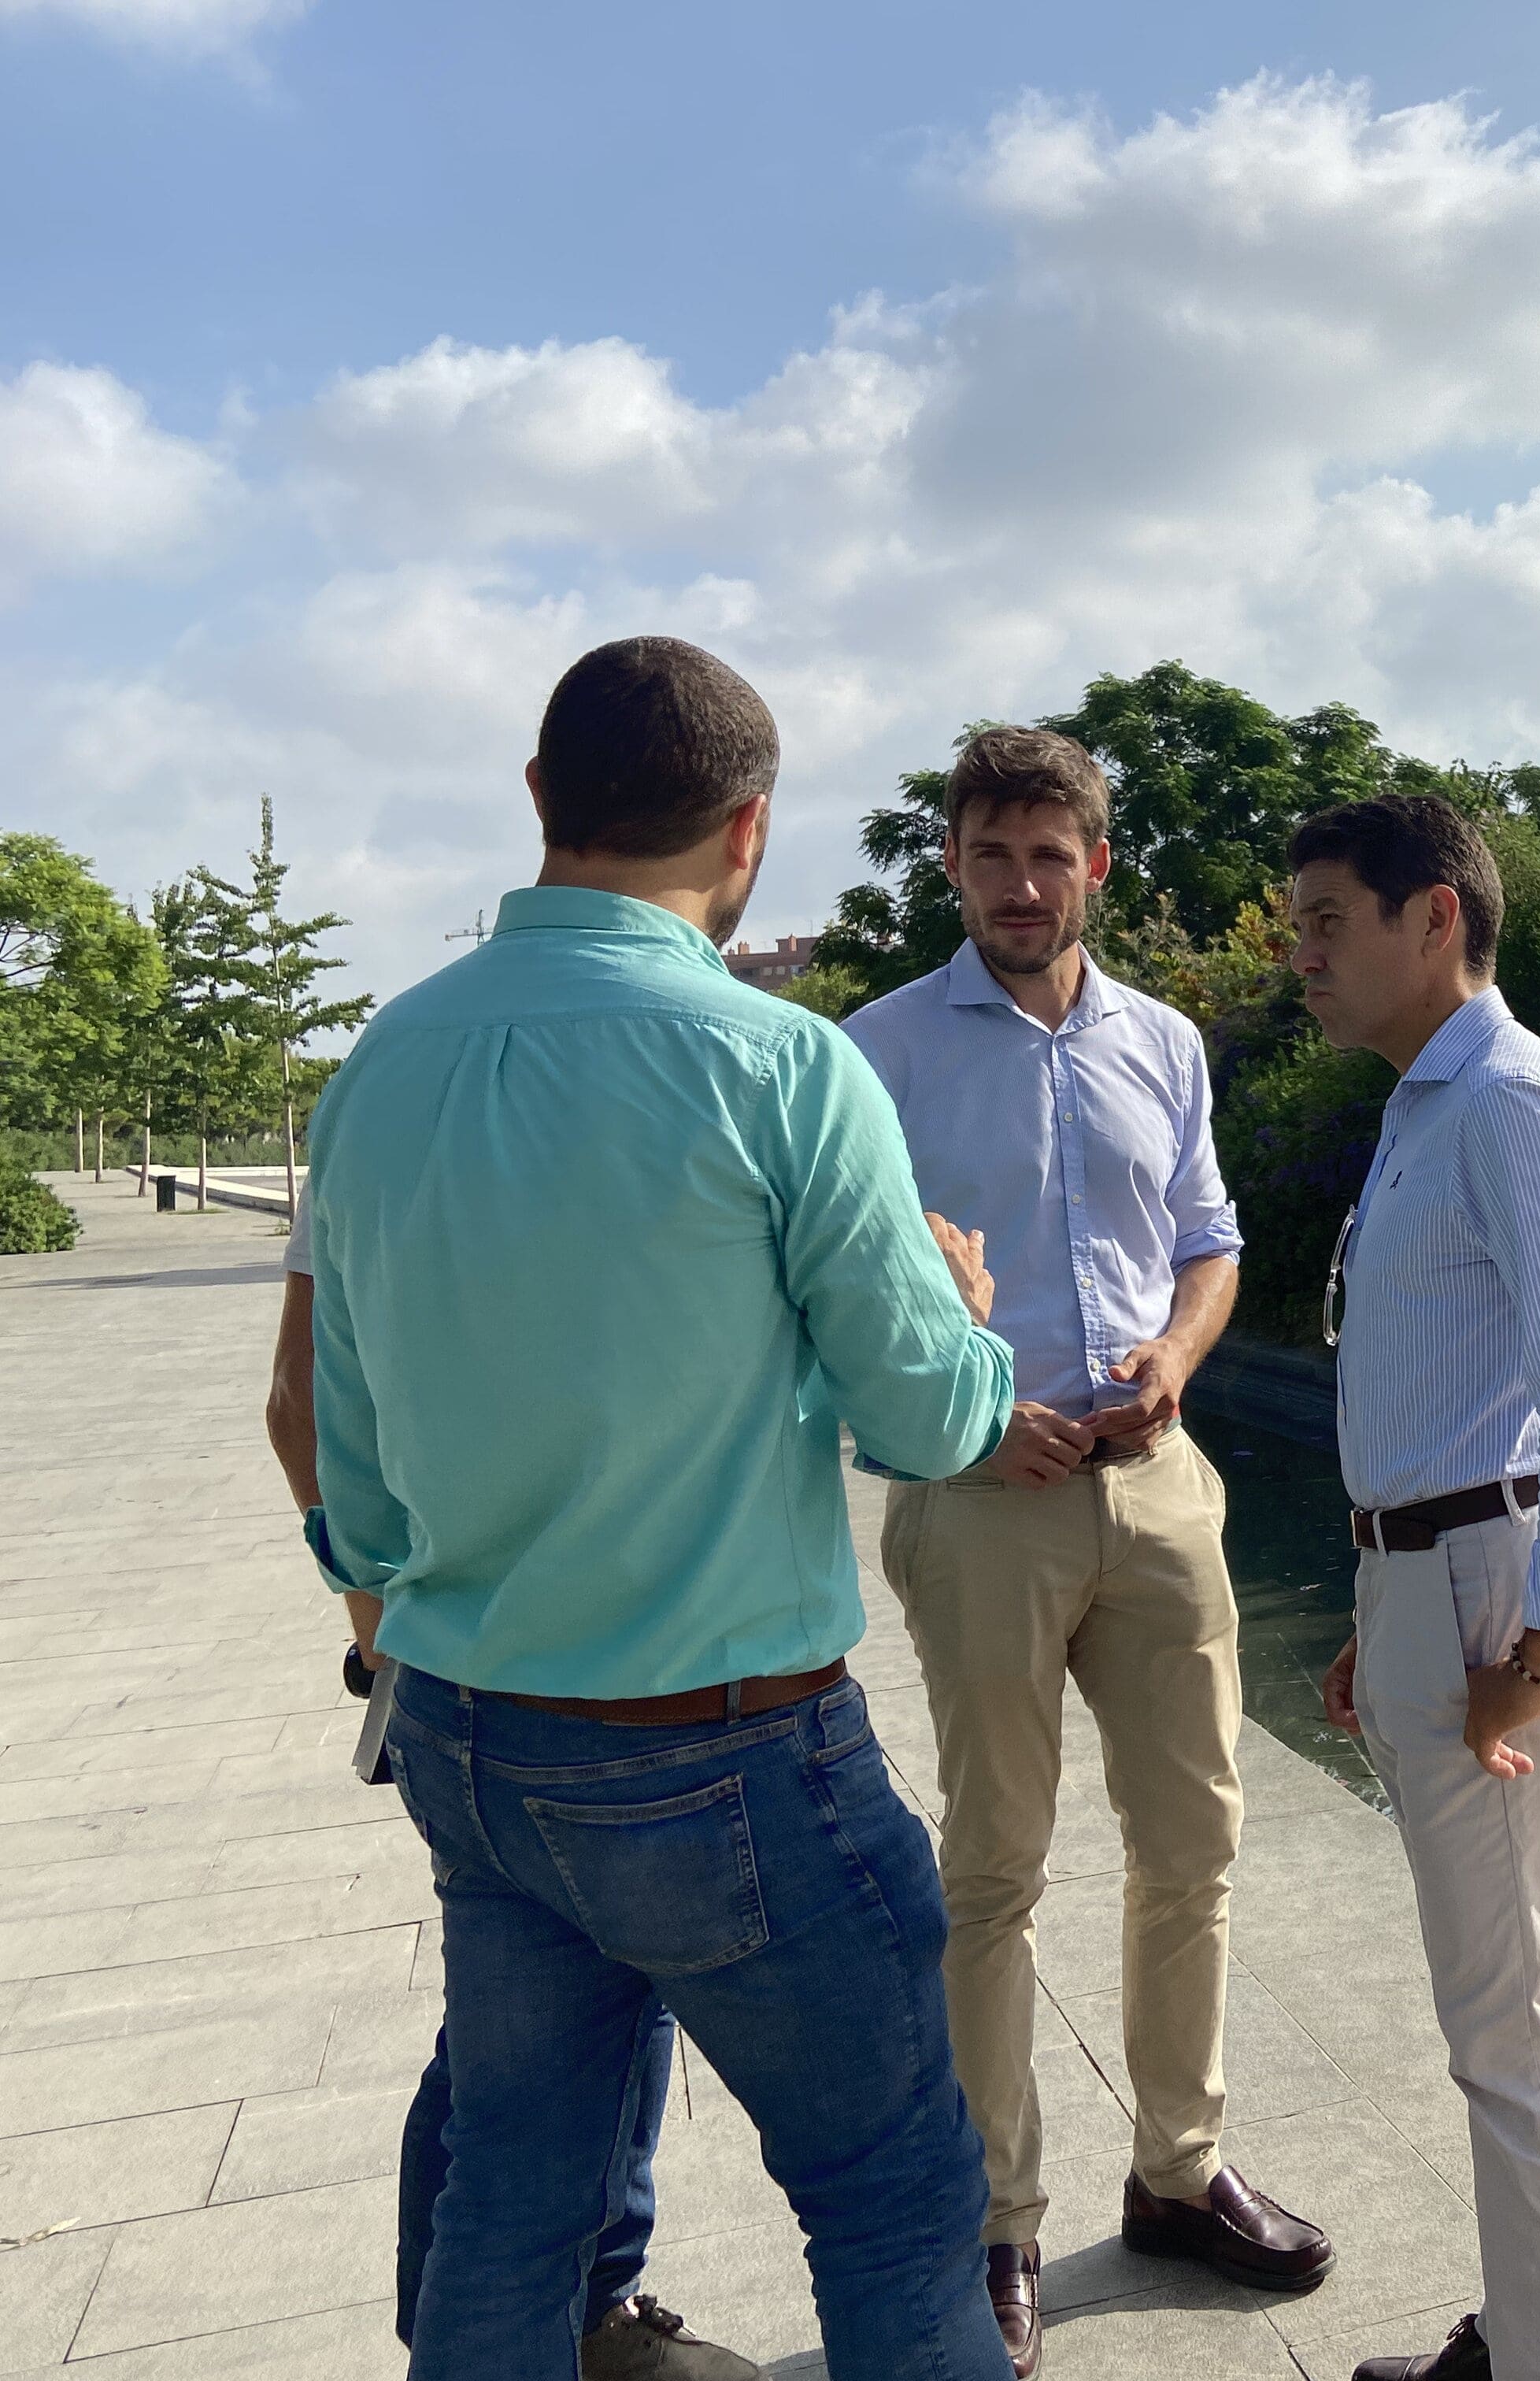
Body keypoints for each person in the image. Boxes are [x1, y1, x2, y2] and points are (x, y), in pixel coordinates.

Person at [303, 634, 1072, 2381]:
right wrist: (956, 1301)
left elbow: (349, 1484)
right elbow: (937, 1423)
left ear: (536, 804)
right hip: (727, 1756)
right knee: (891, 2200)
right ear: (749, 832)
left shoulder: (383, 1070)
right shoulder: (785, 1069)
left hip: (478, 1739)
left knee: (514, 2192)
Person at [842, 727, 1333, 2376]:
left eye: (1052, 855)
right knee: (993, 1870)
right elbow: (845, 1292)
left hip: (1158, 1488)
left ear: (1098, 868)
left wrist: (1180, 1362)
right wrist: (972, 1413)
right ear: (957, 865)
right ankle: (1002, 2220)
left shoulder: (1166, 1044)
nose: (1022, 884)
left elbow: (1210, 1243)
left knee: (1191, 1848)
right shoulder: (878, 1051)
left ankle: (1179, 2176)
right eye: (992, 853)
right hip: (980, 1498)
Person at [1286, 796, 1540, 2381]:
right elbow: (1452, 1389)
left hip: (1496, 1594)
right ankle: (1529, 2331)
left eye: (1327, 920)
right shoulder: (1427, 1101)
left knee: (1524, 2030)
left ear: (1433, 918)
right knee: (1507, 2011)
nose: (1301, 954)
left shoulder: (1508, 1101)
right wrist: (1380, 1614)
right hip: (1435, 1580)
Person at [267, 1223, 753, 2381]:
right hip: (572, 1676)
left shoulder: (396, 1101)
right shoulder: (457, 1100)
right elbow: (303, 1403)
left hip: (481, 1675)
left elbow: (303, 1404)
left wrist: (379, 1636)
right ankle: (538, 2326)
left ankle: (531, 2318)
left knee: (546, 2022)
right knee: (530, 2040)